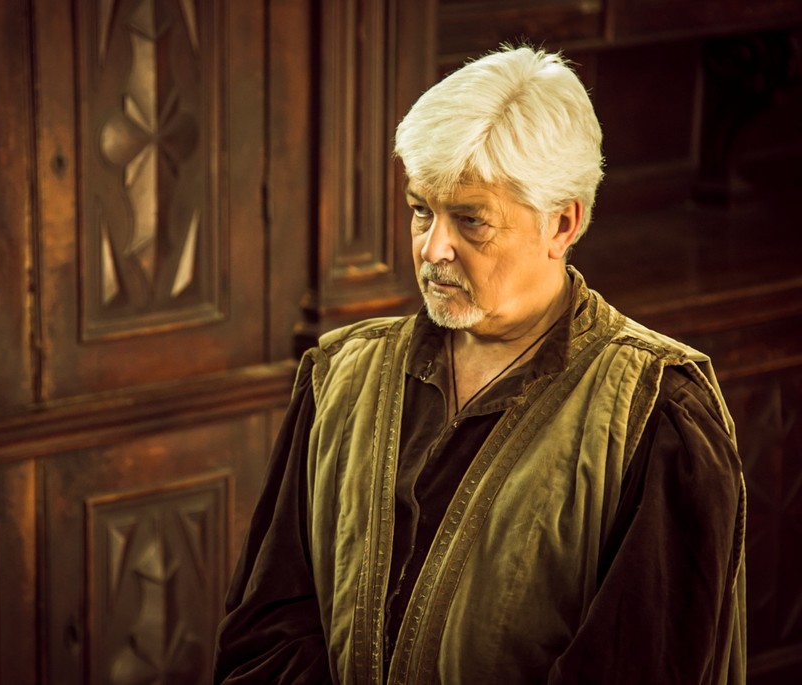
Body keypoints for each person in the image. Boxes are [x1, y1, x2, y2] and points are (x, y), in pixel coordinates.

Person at [214, 45, 746, 684]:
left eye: (471, 220)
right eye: (421, 210)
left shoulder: (657, 413)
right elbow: (265, 636)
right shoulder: (341, 375)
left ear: (562, 223)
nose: (433, 248)